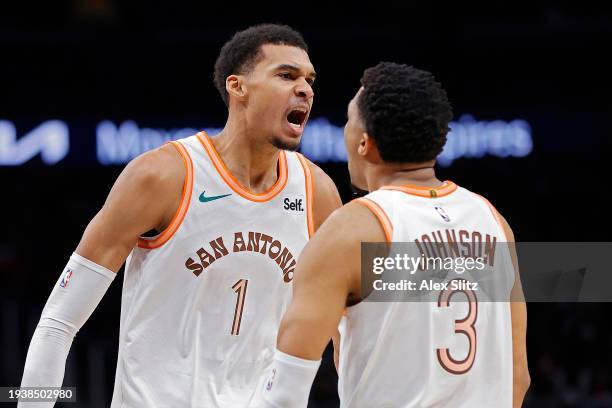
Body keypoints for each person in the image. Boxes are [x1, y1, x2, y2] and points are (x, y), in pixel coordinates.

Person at [19, 23, 341, 407]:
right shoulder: (162, 175)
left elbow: (350, 332)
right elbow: (58, 322)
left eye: (309, 79)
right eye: (286, 75)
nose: (305, 89)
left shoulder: (316, 191)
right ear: (237, 87)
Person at [256, 62, 530, 407]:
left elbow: (285, 393)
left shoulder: (352, 230)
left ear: (364, 144)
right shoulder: (492, 220)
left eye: (347, 121)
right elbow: (517, 376)